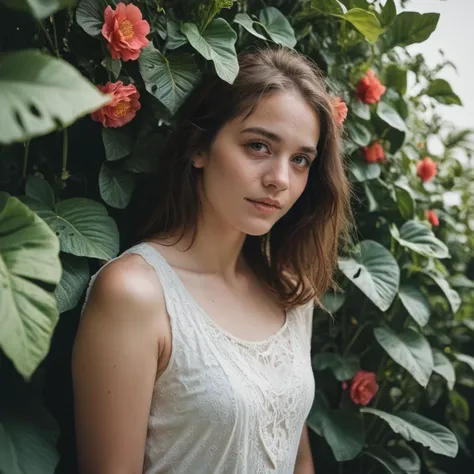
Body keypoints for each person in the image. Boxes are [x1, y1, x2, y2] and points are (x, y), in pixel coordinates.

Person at [72, 46, 352, 474]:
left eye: (300, 160)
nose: (280, 179)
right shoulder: (136, 295)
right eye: (259, 146)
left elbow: (298, 456)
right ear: (199, 147)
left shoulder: (289, 290)